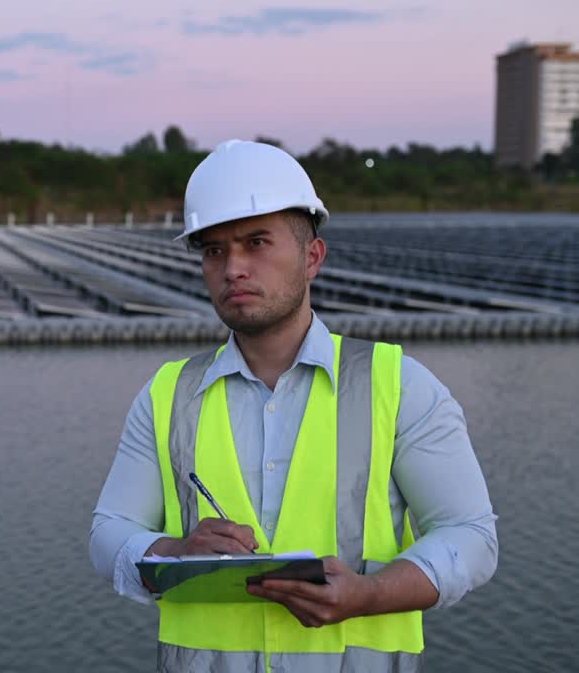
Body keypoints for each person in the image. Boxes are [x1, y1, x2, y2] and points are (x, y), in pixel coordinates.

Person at [89, 140, 498, 672]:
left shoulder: (398, 387)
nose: (233, 267)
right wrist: (172, 550)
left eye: (256, 242)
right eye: (214, 250)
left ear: (312, 257)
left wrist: (368, 595)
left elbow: (471, 536)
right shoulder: (168, 395)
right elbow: (108, 533)